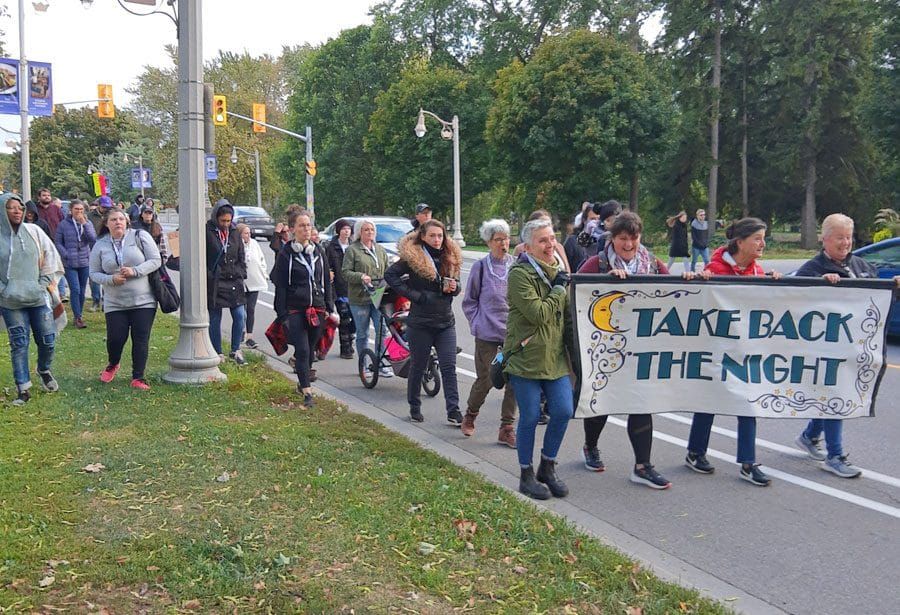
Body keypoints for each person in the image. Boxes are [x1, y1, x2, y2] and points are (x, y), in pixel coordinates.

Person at [578, 212, 702, 489]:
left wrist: (690, 279)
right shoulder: (596, 264)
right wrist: (605, 284)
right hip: (606, 349)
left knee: (641, 403)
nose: (629, 244)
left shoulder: (654, 266)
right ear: (613, 238)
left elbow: (676, 295)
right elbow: (574, 294)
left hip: (642, 350)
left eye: (634, 238)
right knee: (603, 403)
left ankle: (642, 465)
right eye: (623, 239)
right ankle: (590, 446)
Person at [686, 217, 781, 486]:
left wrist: (775, 284)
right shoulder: (714, 268)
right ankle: (695, 451)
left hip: (744, 351)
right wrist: (700, 282)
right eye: (757, 239)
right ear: (740, 242)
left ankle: (748, 463)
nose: (763, 243)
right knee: (710, 399)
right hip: (715, 348)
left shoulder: (757, 272)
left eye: (763, 238)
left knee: (747, 402)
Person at [793, 213, 877, 478]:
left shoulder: (863, 266)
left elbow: (878, 303)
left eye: (849, 237)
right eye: (840, 237)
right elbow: (795, 303)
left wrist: (894, 289)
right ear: (825, 239)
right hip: (823, 350)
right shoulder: (812, 270)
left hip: (855, 346)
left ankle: (810, 435)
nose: (845, 243)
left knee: (835, 395)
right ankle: (835, 455)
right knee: (835, 395)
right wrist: (820, 286)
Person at [504, 218, 574, 500]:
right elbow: (539, 314)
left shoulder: (558, 269)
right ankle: (526, 474)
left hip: (555, 357)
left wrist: (575, 355)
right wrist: (558, 289)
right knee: (531, 415)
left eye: (552, 238)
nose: (550, 244)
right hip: (526, 357)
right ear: (529, 247)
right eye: (543, 241)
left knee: (563, 410)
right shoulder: (520, 274)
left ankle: (547, 465)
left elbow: (566, 317)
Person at [385, 220, 462, 424]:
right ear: (423, 237)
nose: (437, 240)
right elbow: (390, 275)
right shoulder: (414, 258)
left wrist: (455, 287)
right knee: (418, 366)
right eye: (432, 236)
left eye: (440, 236)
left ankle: (453, 410)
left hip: (445, 321)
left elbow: (457, 285)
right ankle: (414, 406)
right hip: (421, 323)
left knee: (448, 367)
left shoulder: (451, 256)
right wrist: (415, 295)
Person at [0, 193, 63, 405]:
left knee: (48, 340)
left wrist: (42, 284)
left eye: (20, 207)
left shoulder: (34, 231)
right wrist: (5, 290)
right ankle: (23, 389)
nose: (18, 211)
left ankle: (44, 369)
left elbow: (50, 257)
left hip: (37, 298)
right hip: (11, 303)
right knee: (19, 343)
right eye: (11, 207)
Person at [461, 219, 518, 447]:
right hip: (487, 336)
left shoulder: (515, 265)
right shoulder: (481, 267)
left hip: (512, 336)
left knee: (514, 380)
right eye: (498, 240)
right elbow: (469, 301)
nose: (504, 244)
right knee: (486, 379)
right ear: (488, 242)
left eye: (506, 239)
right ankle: (470, 414)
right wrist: (477, 323)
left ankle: (506, 427)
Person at [89, 209, 161, 390]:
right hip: (115, 302)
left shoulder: (139, 236)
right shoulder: (100, 245)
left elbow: (155, 260)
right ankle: (113, 363)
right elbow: (93, 273)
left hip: (143, 300)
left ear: (127, 221)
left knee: (141, 338)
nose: (118, 222)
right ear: (107, 223)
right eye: (113, 220)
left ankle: (138, 377)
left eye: (121, 219)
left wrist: (135, 271)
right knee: (115, 338)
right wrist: (110, 279)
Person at [272, 211, 336, 406]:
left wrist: (328, 306)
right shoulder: (286, 254)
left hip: (317, 309)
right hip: (295, 309)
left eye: (308, 225)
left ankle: (303, 381)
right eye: (301, 226)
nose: (306, 229)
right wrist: (281, 313)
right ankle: (308, 391)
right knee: (301, 349)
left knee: (310, 350)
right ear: (292, 230)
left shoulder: (318, 251)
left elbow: (325, 280)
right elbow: (280, 284)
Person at [341, 218, 392, 376]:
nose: (370, 232)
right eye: (366, 230)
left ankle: (381, 363)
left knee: (382, 331)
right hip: (360, 298)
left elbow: (388, 270)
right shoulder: (353, 250)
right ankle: (363, 365)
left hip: (379, 297)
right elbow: (345, 272)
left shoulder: (380, 250)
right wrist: (361, 276)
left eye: (372, 229)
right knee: (362, 333)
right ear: (359, 232)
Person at [205, 199, 248, 366]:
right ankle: (217, 351)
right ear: (216, 218)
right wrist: (209, 274)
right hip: (216, 281)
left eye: (228, 221)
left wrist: (241, 272)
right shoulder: (207, 231)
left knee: (240, 315)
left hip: (234, 279)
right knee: (215, 318)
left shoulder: (235, 231)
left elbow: (241, 254)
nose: (225, 224)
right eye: (223, 221)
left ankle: (235, 349)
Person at [54, 199, 96, 329]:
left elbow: (92, 239)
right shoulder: (63, 224)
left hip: (84, 261)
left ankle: (79, 314)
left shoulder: (87, 223)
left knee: (82, 290)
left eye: (81, 210)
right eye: (76, 209)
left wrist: (85, 224)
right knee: (75, 289)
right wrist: (65, 254)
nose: (79, 212)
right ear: (70, 210)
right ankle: (78, 317)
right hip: (69, 262)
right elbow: (58, 242)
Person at [325, 218, 355, 359]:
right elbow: (327, 267)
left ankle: (351, 339)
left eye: (348, 229)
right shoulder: (331, 247)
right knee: (344, 318)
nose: (346, 231)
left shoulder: (354, 246)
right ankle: (345, 348)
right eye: (343, 229)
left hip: (354, 290)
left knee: (355, 320)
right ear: (338, 231)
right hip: (339, 288)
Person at [236, 223, 268, 350]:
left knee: (251, 309)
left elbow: (261, 259)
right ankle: (240, 334)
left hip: (255, 282)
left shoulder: (254, 244)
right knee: (241, 311)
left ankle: (249, 336)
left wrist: (263, 273)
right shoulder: (237, 245)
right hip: (242, 283)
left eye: (249, 233)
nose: (248, 235)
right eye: (245, 233)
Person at [36, 188, 67, 300]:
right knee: (45, 267)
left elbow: (63, 223)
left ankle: (61, 293)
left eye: (48, 195)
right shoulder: (36, 210)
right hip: (40, 243)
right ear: (39, 197)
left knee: (57, 266)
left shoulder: (56, 209)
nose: (47, 197)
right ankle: (46, 291)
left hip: (56, 242)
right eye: (44, 195)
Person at [86, 196, 114, 311]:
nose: (106, 209)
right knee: (94, 277)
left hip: (109, 248)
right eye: (104, 207)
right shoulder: (90, 217)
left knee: (108, 275)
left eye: (108, 207)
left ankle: (105, 301)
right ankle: (96, 300)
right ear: (98, 206)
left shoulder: (112, 215)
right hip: (94, 249)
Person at [563, 202, 597, 273]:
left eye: (599, 219)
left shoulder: (605, 241)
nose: (596, 222)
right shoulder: (572, 241)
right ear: (584, 220)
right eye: (593, 219)